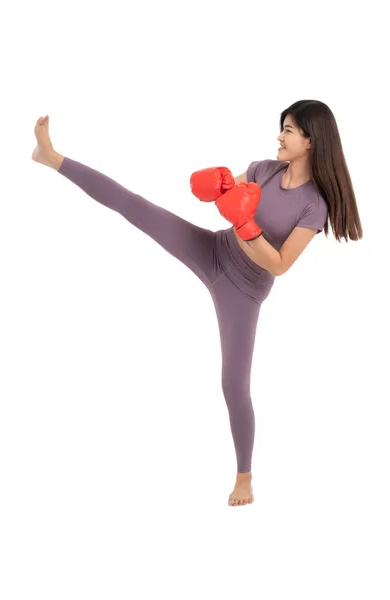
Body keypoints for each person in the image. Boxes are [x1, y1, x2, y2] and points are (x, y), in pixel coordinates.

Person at [31, 100, 363, 507]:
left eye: (289, 130)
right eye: (282, 128)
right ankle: (51, 157)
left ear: (311, 141)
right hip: (213, 250)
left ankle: (245, 476)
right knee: (135, 206)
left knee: (233, 385)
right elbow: (223, 198)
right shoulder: (264, 169)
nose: (279, 135)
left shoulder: (314, 204)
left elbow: (279, 264)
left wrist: (246, 222)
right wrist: (221, 189)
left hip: (243, 290)